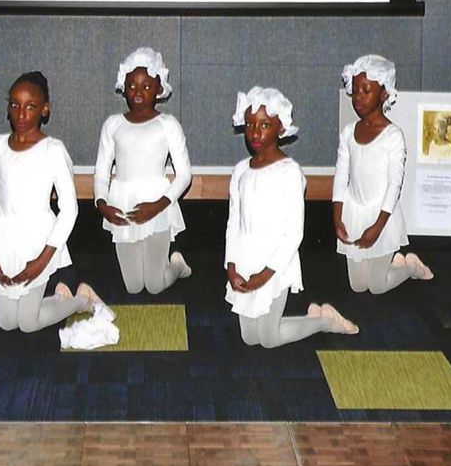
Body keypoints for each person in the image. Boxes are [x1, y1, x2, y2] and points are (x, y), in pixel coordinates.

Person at [226, 86, 359, 348]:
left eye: (265, 125)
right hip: (245, 260)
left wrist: (266, 274)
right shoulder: (241, 170)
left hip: (276, 263)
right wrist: (231, 265)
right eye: (250, 124)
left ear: (281, 129)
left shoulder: (289, 172)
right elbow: (233, 223)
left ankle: (324, 321)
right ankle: (313, 317)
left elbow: (294, 233)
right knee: (250, 339)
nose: (255, 132)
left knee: (269, 339)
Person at [0, 71, 103, 333]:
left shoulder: (53, 150)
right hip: (4, 236)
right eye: (15, 105)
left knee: (27, 323)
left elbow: (69, 209)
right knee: (7, 323)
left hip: (38, 238)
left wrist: (42, 260)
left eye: (30, 106)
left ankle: (81, 300)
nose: (21, 114)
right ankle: (60, 296)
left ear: (44, 110)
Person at [94, 47, 193, 294]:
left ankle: (177, 265)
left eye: (146, 86)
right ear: (124, 87)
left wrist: (158, 206)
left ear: (159, 89)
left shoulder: (168, 124)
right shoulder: (113, 124)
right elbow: (102, 172)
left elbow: (184, 175)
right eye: (132, 86)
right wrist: (102, 203)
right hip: (123, 205)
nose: (138, 92)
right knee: (134, 287)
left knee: (155, 285)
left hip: (157, 204)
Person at [334, 54, 432, 294]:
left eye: (366, 90)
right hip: (355, 213)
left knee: (377, 287)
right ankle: (392, 262)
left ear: (384, 94)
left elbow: (394, 185)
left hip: (381, 217)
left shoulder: (393, 136)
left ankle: (410, 267)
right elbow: (341, 177)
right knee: (358, 286)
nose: (358, 96)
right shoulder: (348, 132)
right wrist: (338, 217)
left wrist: (377, 227)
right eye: (355, 90)